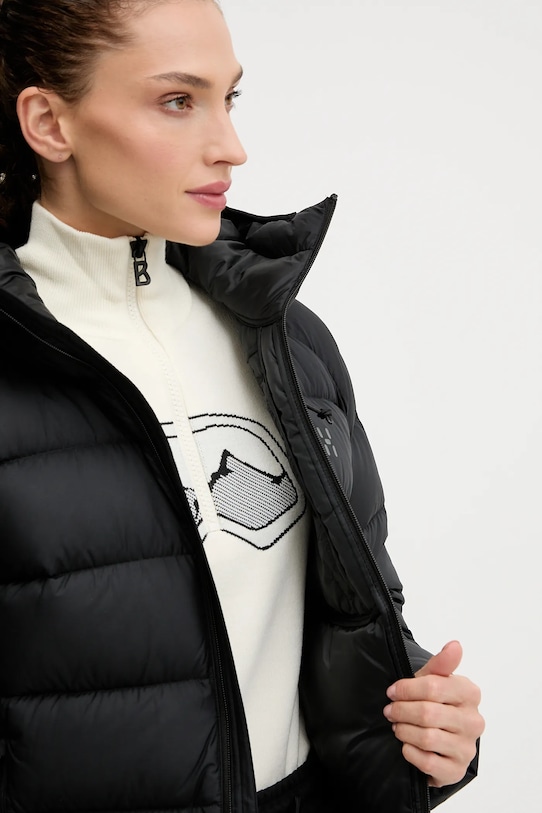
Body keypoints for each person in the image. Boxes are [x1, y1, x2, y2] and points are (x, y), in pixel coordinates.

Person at [0, 1, 484, 811]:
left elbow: (353, 626)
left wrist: (423, 733)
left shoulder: (287, 339)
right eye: (178, 100)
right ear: (50, 123)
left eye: (229, 98)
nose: (231, 145)